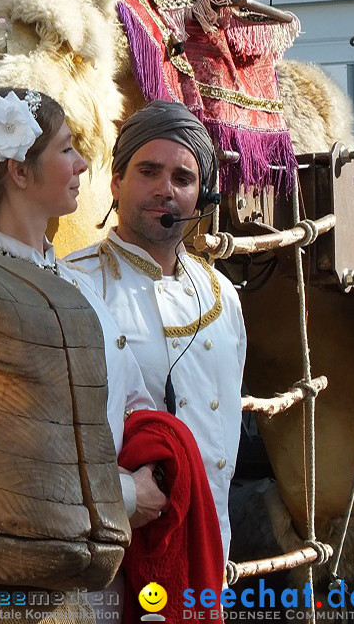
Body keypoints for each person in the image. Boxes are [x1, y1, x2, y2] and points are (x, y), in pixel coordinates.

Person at [0, 87, 166, 525]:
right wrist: (127, 493)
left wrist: (157, 460)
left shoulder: (75, 281)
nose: (82, 164)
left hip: (107, 544)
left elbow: (131, 396)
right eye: (66, 148)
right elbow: (12, 448)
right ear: (19, 171)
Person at [66, 99, 246, 559]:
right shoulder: (71, 285)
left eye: (183, 178)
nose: (165, 189)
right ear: (114, 183)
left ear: (201, 198)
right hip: (109, 553)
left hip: (206, 546)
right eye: (148, 172)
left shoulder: (223, 297)